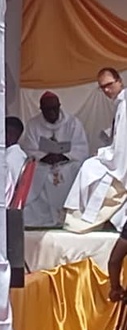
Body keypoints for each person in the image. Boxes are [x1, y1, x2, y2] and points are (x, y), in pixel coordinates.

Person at [65, 68, 127, 233]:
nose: (106, 90)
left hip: (121, 161)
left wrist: (103, 155)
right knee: (89, 166)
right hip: (117, 155)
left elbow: (122, 148)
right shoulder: (120, 103)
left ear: (119, 81)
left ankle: (86, 218)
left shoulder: (124, 105)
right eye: (102, 87)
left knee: (89, 168)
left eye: (109, 85)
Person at [19, 92, 88, 227]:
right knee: (33, 172)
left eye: (54, 108)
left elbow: (81, 148)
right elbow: (29, 149)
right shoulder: (33, 124)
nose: (51, 112)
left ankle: (71, 215)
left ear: (59, 106)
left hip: (67, 163)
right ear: (41, 109)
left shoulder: (73, 123)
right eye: (47, 109)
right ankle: (44, 217)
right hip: (43, 164)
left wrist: (64, 155)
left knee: (77, 168)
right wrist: (45, 156)